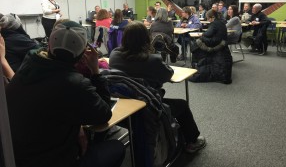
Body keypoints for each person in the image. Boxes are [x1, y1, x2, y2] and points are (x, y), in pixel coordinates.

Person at [5, 21, 125, 167]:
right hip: (53, 160)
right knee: (116, 147)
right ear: (82, 53)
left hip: (16, 158)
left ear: (49, 46)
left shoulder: (28, 65)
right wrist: (95, 71)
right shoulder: (75, 83)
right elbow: (104, 114)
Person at [109, 21, 206, 153]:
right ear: (146, 39)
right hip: (148, 109)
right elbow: (168, 74)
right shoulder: (151, 60)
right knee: (182, 105)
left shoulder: (114, 55)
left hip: (122, 110)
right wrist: (153, 54)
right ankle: (192, 141)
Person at [190, 9, 232, 84]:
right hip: (221, 45)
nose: (207, 20)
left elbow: (206, 35)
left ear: (212, 17)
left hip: (214, 44)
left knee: (195, 45)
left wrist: (202, 36)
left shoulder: (214, 24)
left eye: (208, 18)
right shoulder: (221, 22)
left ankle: (197, 67)